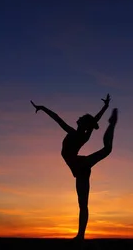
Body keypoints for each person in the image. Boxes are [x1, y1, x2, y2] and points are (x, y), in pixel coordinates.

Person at [30, 94, 118, 241]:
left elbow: (57, 118)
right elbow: (93, 120)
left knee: (107, 150)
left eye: (82, 118)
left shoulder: (75, 133)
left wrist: (43, 108)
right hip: (80, 168)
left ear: (82, 124)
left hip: (80, 165)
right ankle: (81, 235)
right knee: (83, 204)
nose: (79, 117)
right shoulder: (84, 135)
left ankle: (112, 124)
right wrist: (105, 107)